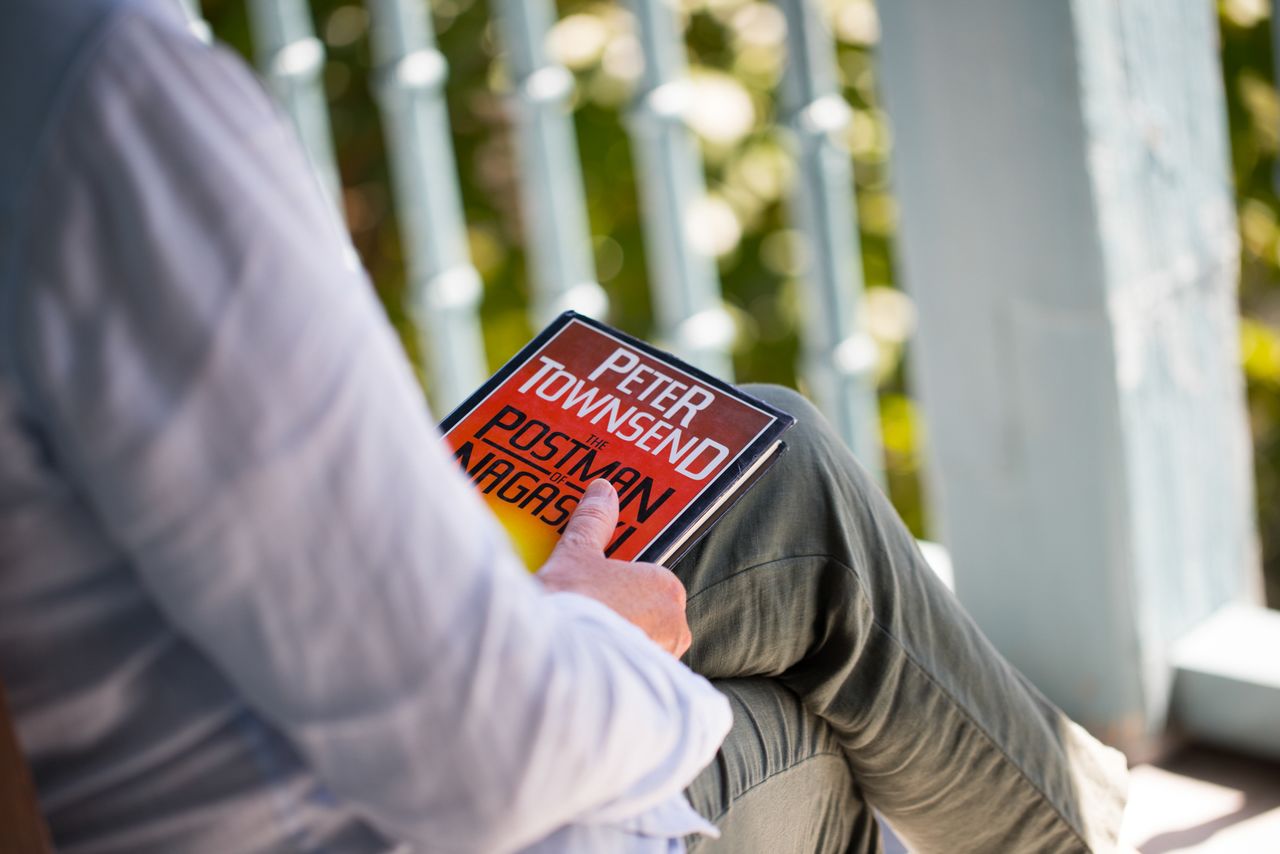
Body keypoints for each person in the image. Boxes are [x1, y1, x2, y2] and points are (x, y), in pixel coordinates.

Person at [0, 0, 1128, 851]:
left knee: (769, 458)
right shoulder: (103, 94)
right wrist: (597, 636)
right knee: (798, 734)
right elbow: (481, 754)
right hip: (350, 812)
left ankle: (1084, 818)